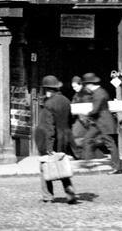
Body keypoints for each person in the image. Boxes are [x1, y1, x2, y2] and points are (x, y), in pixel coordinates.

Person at [36, 75, 78, 204]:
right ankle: (70, 193)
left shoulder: (49, 104)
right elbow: (70, 121)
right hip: (64, 139)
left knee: (45, 166)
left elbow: (49, 128)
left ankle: (47, 196)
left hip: (52, 141)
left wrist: (49, 147)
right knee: (61, 165)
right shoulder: (66, 100)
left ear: (48, 90)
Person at [80, 72, 122, 174]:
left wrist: (86, 114)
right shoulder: (98, 92)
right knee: (87, 139)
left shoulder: (99, 93)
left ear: (89, 84)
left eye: (86, 85)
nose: (86, 87)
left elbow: (95, 110)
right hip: (98, 122)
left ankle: (117, 167)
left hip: (104, 122)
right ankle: (87, 162)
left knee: (110, 144)